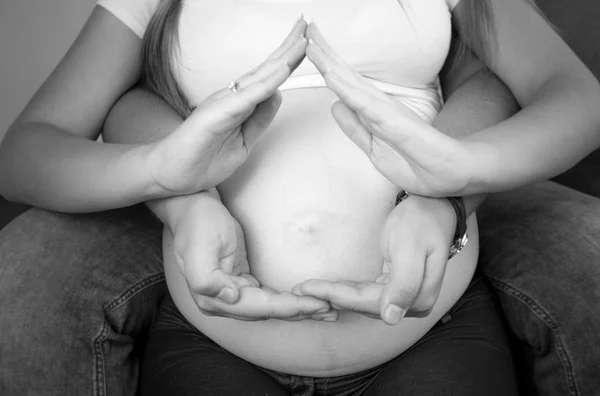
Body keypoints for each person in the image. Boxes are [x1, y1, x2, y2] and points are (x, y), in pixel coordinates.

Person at [0, 0, 598, 395]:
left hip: (435, 329)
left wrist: (456, 180)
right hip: (215, 342)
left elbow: (575, 96)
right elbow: (25, 153)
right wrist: (169, 183)